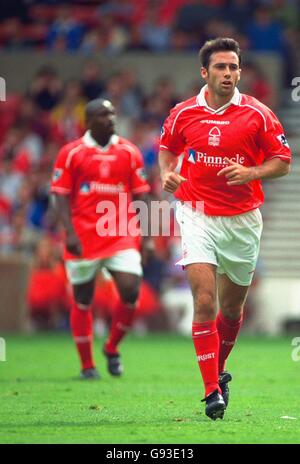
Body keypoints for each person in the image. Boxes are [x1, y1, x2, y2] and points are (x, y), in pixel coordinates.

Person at [158, 37, 291, 420]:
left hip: (244, 220)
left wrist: (251, 171)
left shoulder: (259, 114)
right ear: (205, 72)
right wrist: (168, 173)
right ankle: (211, 390)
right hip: (196, 212)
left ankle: (217, 369)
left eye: (234, 67)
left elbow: (282, 161)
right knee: (204, 301)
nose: (229, 73)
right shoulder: (183, 113)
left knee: (231, 310)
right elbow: (166, 148)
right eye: (221, 67)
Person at [51, 98, 150, 380]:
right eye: (103, 115)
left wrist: (151, 236)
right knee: (83, 299)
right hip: (83, 237)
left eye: (113, 114)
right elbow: (59, 195)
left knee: (131, 290)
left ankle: (111, 346)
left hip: (121, 233)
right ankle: (87, 366)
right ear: (89, 121)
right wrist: (68, 233)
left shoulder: (129, 152)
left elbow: (142, 193)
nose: (111, 118)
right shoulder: (71, 153)